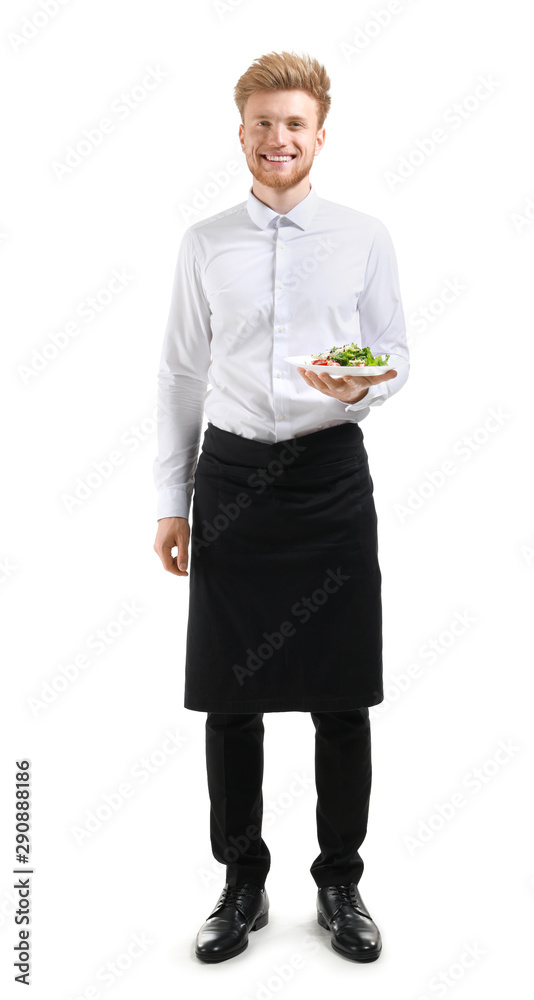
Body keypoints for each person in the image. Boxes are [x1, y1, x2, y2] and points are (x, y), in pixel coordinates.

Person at [153, 49, 409, 964]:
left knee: (343, 698)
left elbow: (394, 354)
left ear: (320, 134)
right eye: (262, 123)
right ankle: (242, 880)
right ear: (242, 133)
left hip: (331, 478)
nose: (277, 139)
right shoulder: (204, 242)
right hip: (230, 483)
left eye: (293, 123)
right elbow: (183, 373)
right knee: (232, 697)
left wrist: (355, 389)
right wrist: (169, 500)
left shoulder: (364, 236)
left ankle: (340, 881)